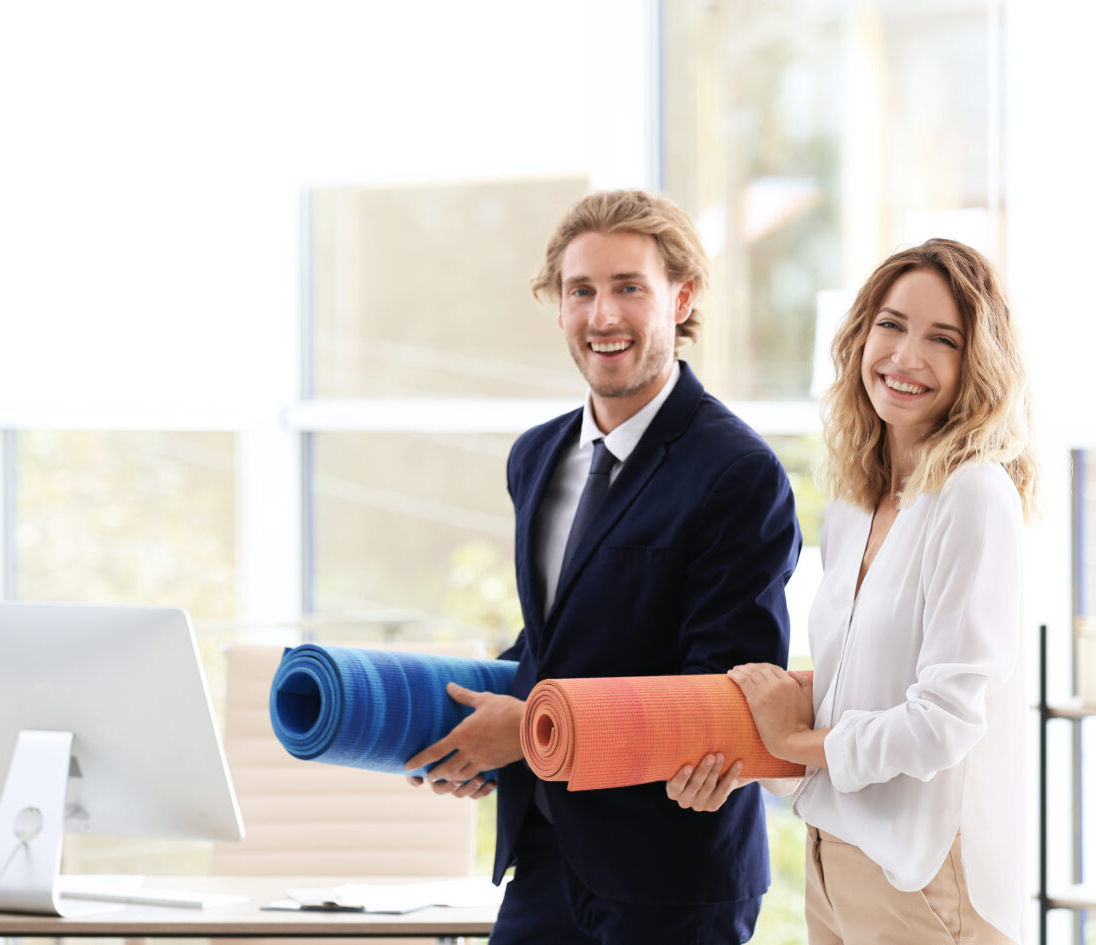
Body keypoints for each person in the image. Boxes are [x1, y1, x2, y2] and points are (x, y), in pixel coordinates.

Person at [402, 189, 803, 945]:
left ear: (681, 298)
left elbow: (727, 691)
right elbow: (556, 642)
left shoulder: (735, 471)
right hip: (548, 854)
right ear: (557, 306)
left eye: (629, 288)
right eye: (580, 290)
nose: (602, 316)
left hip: (670, 875)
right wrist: (467, 738)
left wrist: (523, 732)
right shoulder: (537, 456)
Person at [728, 239, 1038, 944]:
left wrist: (794, 738)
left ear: (976, 365)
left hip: (921, 874)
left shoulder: (974, 496)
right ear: (860, 333)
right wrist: (761, 736)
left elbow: (943, 721)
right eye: (891, 325)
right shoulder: (855, 500)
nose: (904, 356)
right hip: (831, 853)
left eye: (942, 339)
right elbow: (857, 689)